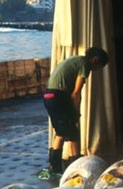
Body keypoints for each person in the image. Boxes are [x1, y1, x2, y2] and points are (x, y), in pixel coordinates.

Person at [39, 46, 109, 178]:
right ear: (95, 59)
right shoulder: (85, 64)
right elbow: (76, 92)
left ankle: (56, 167)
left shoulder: (75, 60)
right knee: (73, 133)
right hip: (59, 96)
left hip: (48, 95)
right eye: (99, 66)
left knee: (61, 132)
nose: (97, 70)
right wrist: (75, 112)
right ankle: (74, 167)